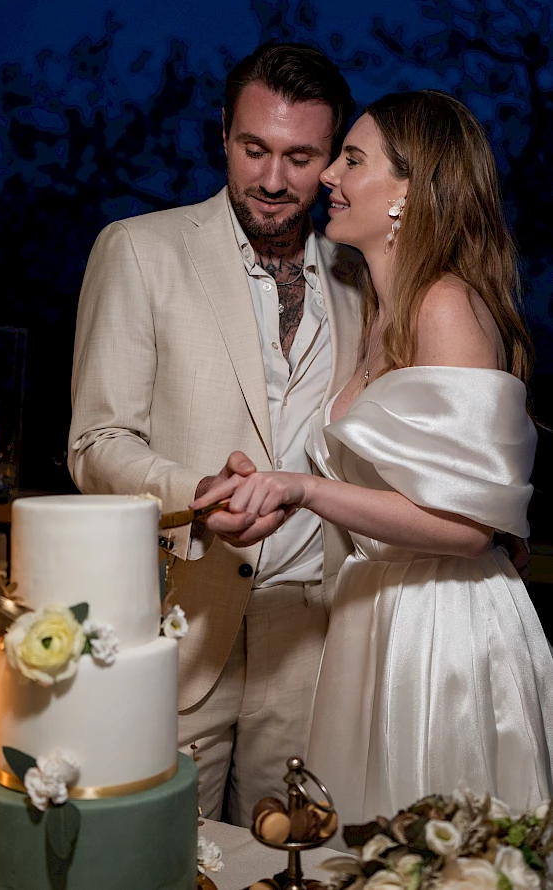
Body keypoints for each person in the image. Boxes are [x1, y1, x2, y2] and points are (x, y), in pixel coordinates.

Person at [192, 89, 553, 839]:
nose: (327, 175)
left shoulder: (446, 307)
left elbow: (463, 529)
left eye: (352, 159)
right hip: (373, 613)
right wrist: (266, 485)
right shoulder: (381, 310)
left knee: (434, 850)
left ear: (410, 191)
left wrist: (304, 487)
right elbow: (386, 478)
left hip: (439, 633)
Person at [68, 42, 363, 826]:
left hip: (314, 634)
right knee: (156, 856)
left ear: (334, 159)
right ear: (221, 134)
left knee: (287, 859)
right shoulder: (139, 250)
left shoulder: (366, 277)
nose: (271, 179)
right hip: (180, 622)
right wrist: (194, 493)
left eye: (300, 157)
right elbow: (96, 442)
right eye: (253, 148)